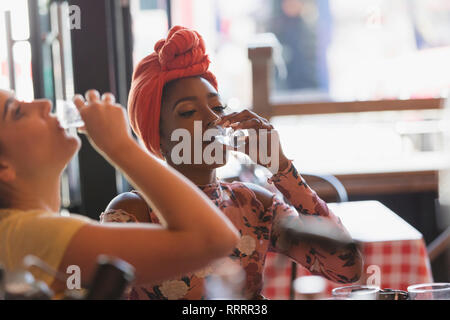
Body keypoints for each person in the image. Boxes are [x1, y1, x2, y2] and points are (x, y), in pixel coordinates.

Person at [102, 25, 363, 300]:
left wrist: (282, 167)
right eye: (188, 111)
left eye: (217, 107)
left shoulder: (254, 204)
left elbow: (347, 269)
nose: (213, 120)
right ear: (160, 138)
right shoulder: (134, 213)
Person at [0, 88, 239, 297]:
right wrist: (119, 145)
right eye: (17, 112)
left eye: (218, 106)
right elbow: (215, 239)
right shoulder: (28, 233)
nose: (44, 104)